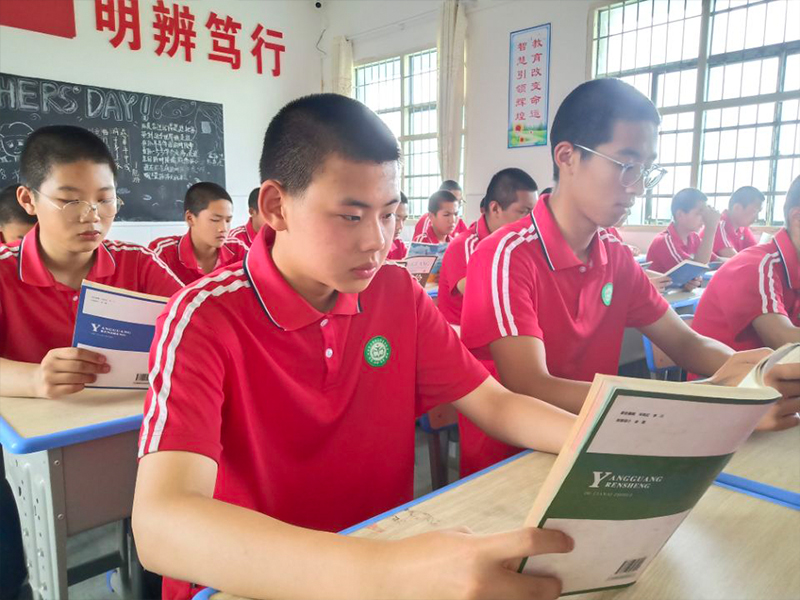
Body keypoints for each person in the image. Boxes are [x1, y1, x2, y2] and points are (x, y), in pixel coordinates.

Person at [133, 93, 577, 600]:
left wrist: (599, 442)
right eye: (351, 217)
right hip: (257, 583)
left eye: (389, 215)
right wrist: (388, 571)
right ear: (276, 207)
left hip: (379, 557)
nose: (377, 241)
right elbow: (161, 524)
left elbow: (493, 403)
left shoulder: (396, 293)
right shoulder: (202, 318)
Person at [459, 78, 800, 476]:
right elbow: (532, 384)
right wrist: (701, 399)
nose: (638, 188)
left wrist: (755, 377)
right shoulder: (506, 256)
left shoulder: (615, 255)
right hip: (513, 463)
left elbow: (685, 342)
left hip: (602, 446)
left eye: (646, 170)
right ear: (567, 157)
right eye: (626, 166)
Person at [0, 125, 183, 399]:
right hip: (34, 425)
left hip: (128, 416)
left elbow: (197, 328)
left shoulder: (138, 264)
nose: (92, 216)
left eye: (105, 199)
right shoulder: (4, 271)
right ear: (28, 200)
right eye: (70, 200)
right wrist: (34, 379)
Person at [692, 176, 800, 353]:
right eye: (754, 211)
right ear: (797, 217)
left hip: (767, 367)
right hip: (722, 370)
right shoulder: (756, 266)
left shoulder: (745, 233)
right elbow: (783, 340)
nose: (757, 217)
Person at [438, 168, 537, 325]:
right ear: (495, 208)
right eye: (524, 212)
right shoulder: (464, 245)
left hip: (496, 327)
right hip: (461, 332)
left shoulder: (515, 244)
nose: (530, 222)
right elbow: (484, 298)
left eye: (533, 214)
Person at [149, 182, 248, 285]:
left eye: (228, 221)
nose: (223, 228)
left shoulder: (238, 251)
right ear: (190, 218)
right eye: (215, 220)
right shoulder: (163, 254)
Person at [645, 188, 721, 291]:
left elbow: (716, 261)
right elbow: (697, 267)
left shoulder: (693, 238)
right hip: (661, 296)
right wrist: (711, 228)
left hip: (677, 295)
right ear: (680, 215)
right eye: (700, 213)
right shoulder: (665, 241)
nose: (704, 219)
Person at [712, 185, 763, 258]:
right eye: (754, 211)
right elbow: (735, 260)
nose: (757, 217)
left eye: (759, 212)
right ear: (737, 208)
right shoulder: (717, 225)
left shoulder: (743, 228)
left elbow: (756, 253)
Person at [386, 191, 409, 260]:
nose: (400, 226)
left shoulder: (399, 246)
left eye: (404, 219)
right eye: (396, 219)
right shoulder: (369, 249)